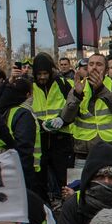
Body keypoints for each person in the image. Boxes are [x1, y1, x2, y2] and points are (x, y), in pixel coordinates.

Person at [63, 53, 112, 161]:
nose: (94, 67)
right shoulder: (78, 87)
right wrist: (77, 96)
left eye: (99, 64)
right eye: (91, 64)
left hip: (110, 147)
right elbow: (66, 118)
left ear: (106, 70)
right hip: (83, 150)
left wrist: (101, 89)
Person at [28, 53, 75, 199]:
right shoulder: (29, 86)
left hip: (61, 139)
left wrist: (63, 120)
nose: (42, 77)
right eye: (39, 74)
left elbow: (74, 106)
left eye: (45, 73)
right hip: (39, 140)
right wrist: (41, 125)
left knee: (63, 178)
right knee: (39, 179)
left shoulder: (63, 84)